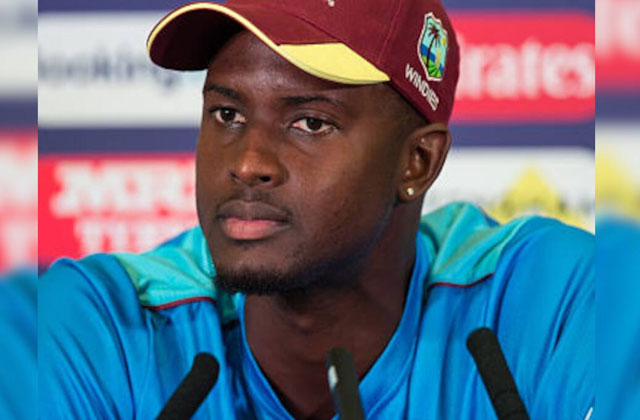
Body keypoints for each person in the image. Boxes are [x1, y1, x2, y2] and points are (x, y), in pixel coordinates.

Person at [40, 1, 594, 419]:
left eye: (310, 122)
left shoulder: (551, 302)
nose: (247, 163)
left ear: (417, 162)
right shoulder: (104, 326)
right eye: (228, 114)